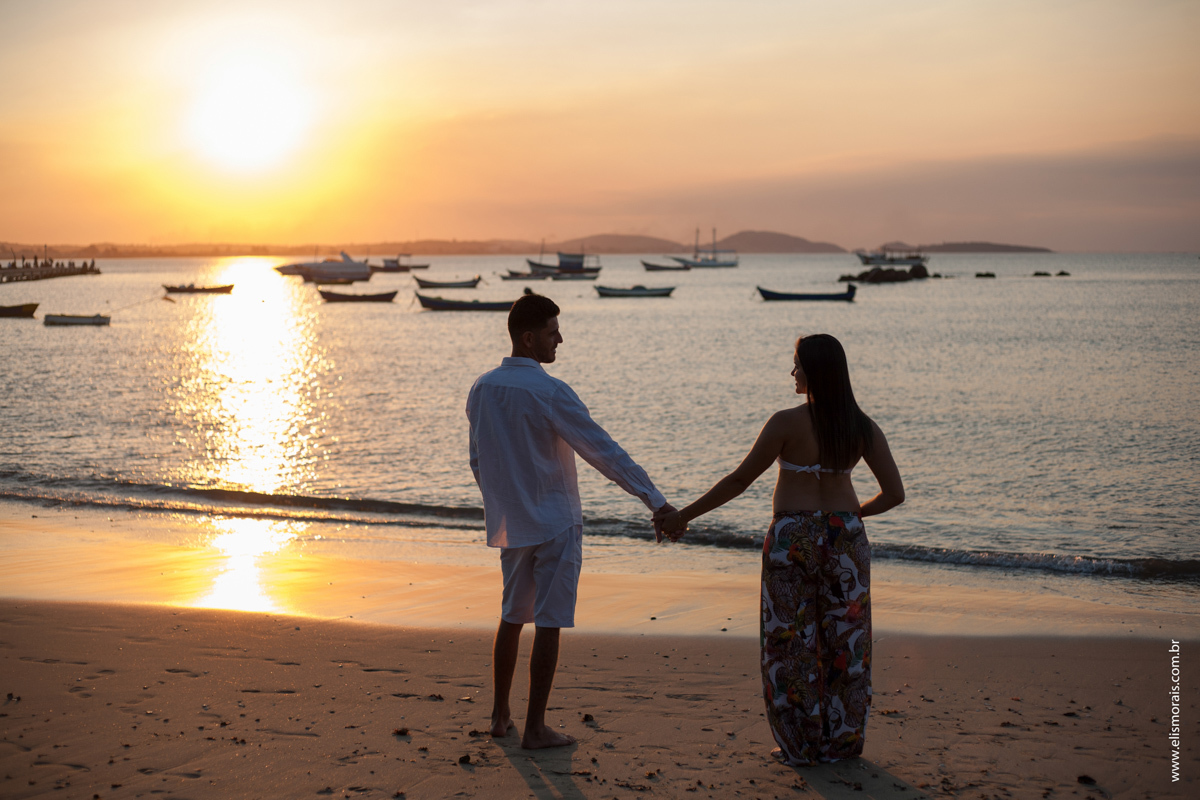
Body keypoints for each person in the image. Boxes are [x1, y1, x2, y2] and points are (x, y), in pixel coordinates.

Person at [656, 333, 903, 766]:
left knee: (789, 642)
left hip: (792, 538)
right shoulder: (863, 426)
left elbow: (739, 480)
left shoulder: (786, 423)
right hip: (846, 538)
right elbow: (894, 494)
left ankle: (801, 745)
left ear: (815, 371)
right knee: (847, 641)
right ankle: (842, 743)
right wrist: (848, 517)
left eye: (797, 365)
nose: (792, 372)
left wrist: (684, 516)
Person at [466, 292, 675, 749]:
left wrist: (503, 504)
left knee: (511, 616)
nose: (559, 340)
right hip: (556, 522)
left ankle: (500, 716)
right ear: (528, 338)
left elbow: (478, 459)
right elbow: (604, 452)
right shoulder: (550, 391)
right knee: (549, 621)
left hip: (513, 524)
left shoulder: (482, 388)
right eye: (552, 332)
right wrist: (655, 501)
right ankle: (536, 728)